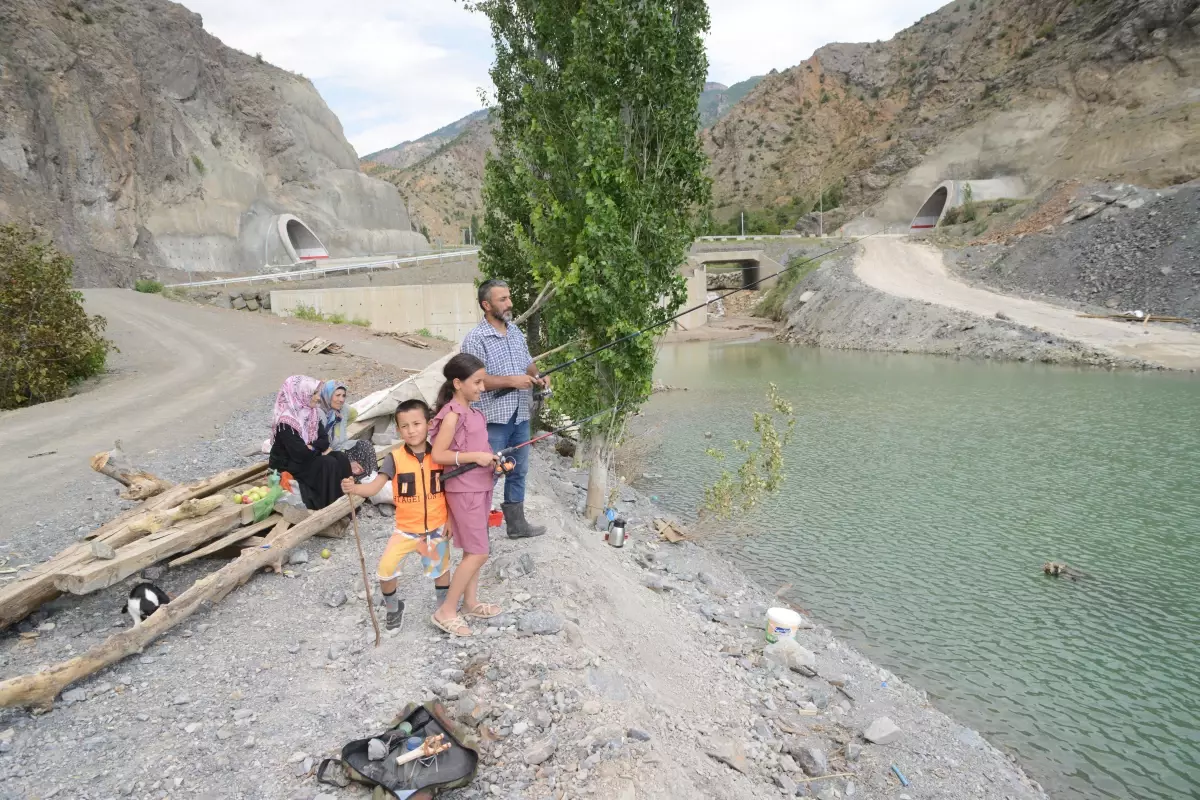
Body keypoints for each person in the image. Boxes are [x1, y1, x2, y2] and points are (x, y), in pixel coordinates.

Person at [340, 399, 452, 631]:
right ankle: (393, 608)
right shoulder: (395, 458)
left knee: (440, 571)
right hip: (406, 530)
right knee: (386, 570)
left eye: (416, 424)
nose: (411, 430)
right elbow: (374, 487)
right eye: (404, 426)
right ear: (398, 430)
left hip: (435, 527)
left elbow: (451, 492)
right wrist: (354, 489)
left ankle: (444, 608)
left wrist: (450, 519)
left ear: (429, 424)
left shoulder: (440, 456)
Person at [460, 279, 547, 539]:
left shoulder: (516, 332)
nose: (509, 303)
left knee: (518, 470)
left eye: (509, 297)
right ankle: (477, 531)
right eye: (502, 299)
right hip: (493, 419)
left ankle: (517, 526)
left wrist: (539, 375)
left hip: (520, 414)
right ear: (486, 305)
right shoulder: (475, 339)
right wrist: (513, 381)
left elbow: (527, 362)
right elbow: (473, 382)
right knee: (488, 474)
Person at [428, 353, 501, 637]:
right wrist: (476, 456)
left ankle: (470, 603)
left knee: (474, 548)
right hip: (464, 491)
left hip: (481, 487)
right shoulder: (452, 414)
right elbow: (439, 454)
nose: (482, 387)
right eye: (477, 382)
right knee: (480, 552)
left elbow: (478, 452)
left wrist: (494, 462)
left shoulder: (473, 412)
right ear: (458, 383)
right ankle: (446, 610)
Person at [268, 375, 357, 510]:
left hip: (306, 457)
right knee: (328, 463)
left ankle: (348, 500)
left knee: (341, 457)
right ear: (300, 394)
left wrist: (313, 447)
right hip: (288, 464)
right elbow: (300, 453)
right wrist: (315, 449)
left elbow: (324, 441)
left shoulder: (311, 413)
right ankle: (330, 507)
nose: (317, 397)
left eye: (316, 393)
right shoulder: (286, 421)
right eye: (314, 393)